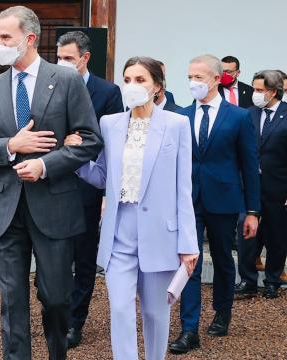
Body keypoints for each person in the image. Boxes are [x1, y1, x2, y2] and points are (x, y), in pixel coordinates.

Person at [0, 6, 102, 359]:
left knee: (56, 298)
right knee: (12, 302)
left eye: (4, 37)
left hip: (54, 205)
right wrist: (12, 145)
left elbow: (90, 139)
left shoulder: (67, 80)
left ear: (29, 39)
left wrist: (44, 163)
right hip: (7, 208)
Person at [66, 57, 199, 359]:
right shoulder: (110, 123)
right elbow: (102, 176)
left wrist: (188, 243)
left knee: (155, 314)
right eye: (127, 79)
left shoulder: (177, 124)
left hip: (160, 235)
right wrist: (74, 158)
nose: (132, 86)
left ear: (157, 87)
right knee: (121, 310)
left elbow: (183, 188)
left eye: (140, 80)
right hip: (118, 234)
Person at [169, 54, 260, 354]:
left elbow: (250, 166)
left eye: (199, 76)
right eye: (190, 76)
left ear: (217, 78)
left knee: (222, 260)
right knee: (189, 262)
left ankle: (222, 312)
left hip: (224, 200)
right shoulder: (180, 115)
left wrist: (252, 211)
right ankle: (189, 328)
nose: (193, 82)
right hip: (189, 201)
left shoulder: (239, 116)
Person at [55, 30, 124, 349]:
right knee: (54, 257)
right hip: (52, 180)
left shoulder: (107, 92)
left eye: (68, 58)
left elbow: (110, 142)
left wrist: (108, 192)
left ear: (85, 58)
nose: (61, 63)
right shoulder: (49, 84)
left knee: (83, 258)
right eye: (58, 58)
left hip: (88, 184)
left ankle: (75, 322)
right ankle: (55, 312)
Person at [234, 70, 287, 299]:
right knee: (245, 234)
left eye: (259, 90)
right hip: (248, 186)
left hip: (278, 187)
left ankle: (273, 280)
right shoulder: (249, 114)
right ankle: (247, 281)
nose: (254, 94)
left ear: (273, 91)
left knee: (277, 235)